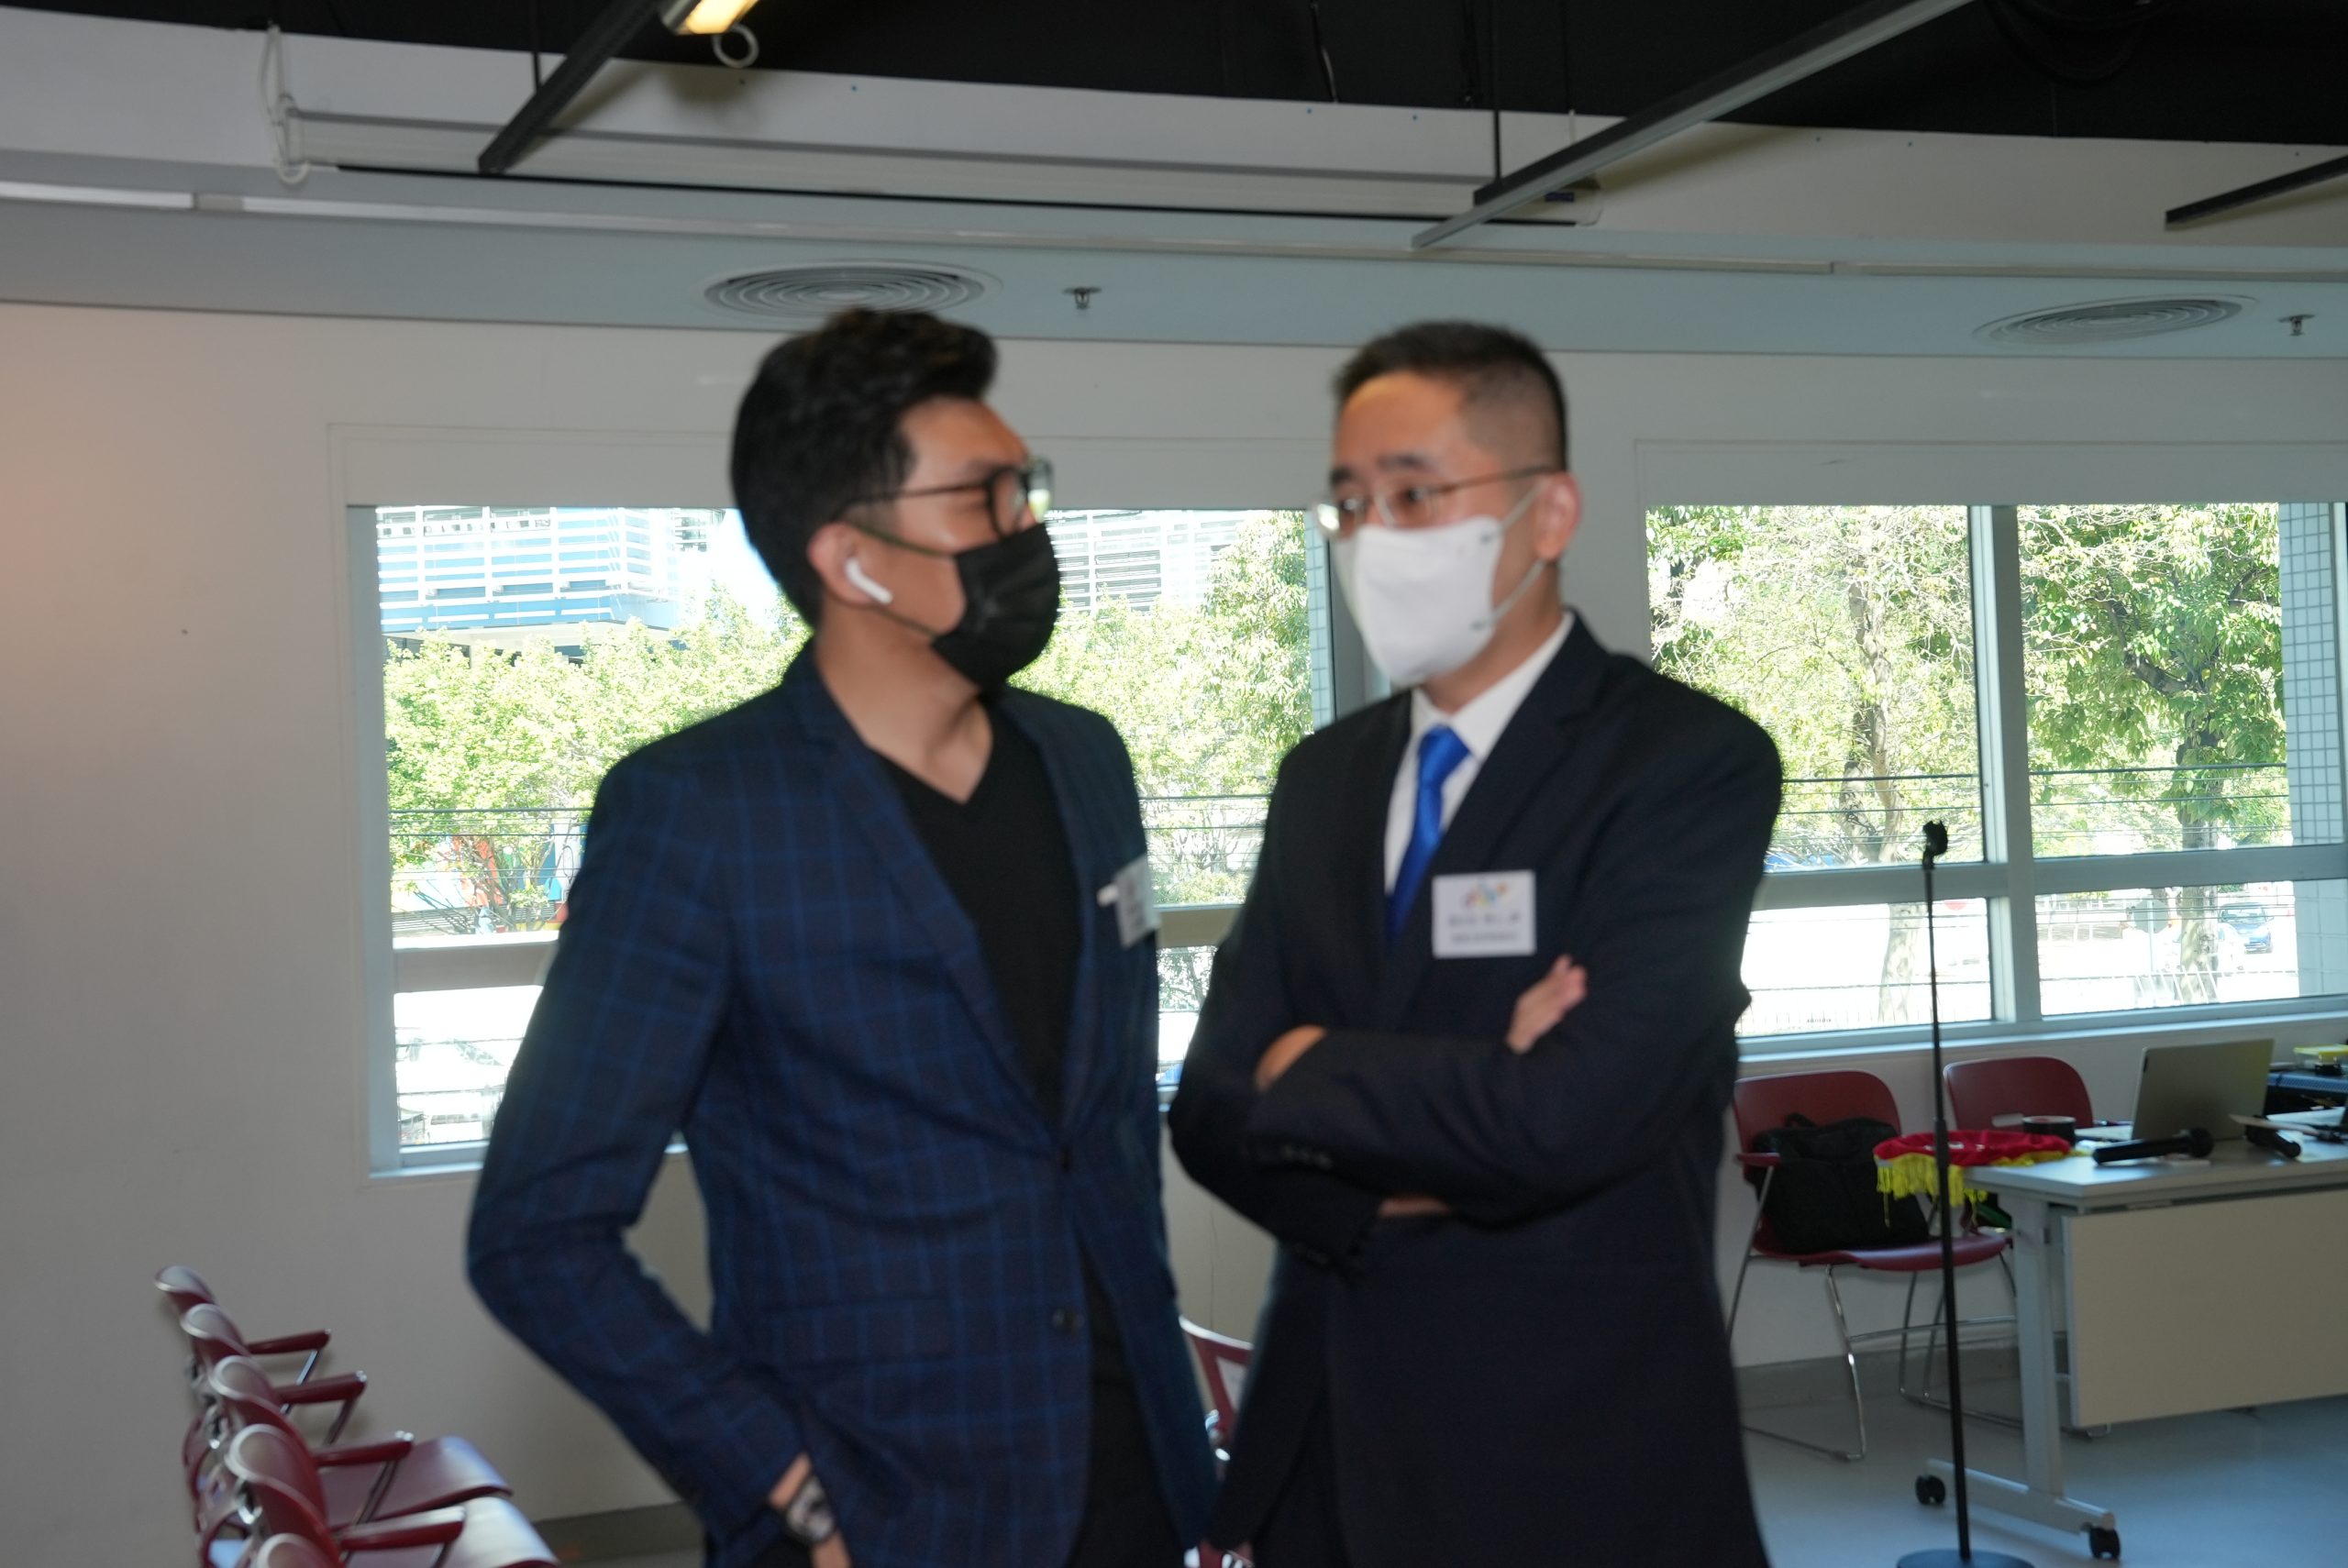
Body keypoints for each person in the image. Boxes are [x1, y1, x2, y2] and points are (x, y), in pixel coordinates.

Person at [468, 309, 1215, 1568]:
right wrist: (782, 1488)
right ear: (852, 560)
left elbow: (1094, 1138)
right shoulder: (698, 812)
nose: (1027, 528)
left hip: (1136, 1486)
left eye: (1027, 487)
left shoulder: (1086, 760)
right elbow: (535, 1232)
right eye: (982, 498)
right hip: (877, 1515)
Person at [1168, 321, 1780, 1567]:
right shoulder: (1323, 780)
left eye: (1413, 495)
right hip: (1325, 1448)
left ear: (1547, 514)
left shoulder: (1682, 764)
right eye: (1350, 502)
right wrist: (1427, 1143)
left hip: (1574, 1459)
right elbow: (1213, 1105)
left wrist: (1306, 1067)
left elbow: (1570, 1115)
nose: (1373, 534)